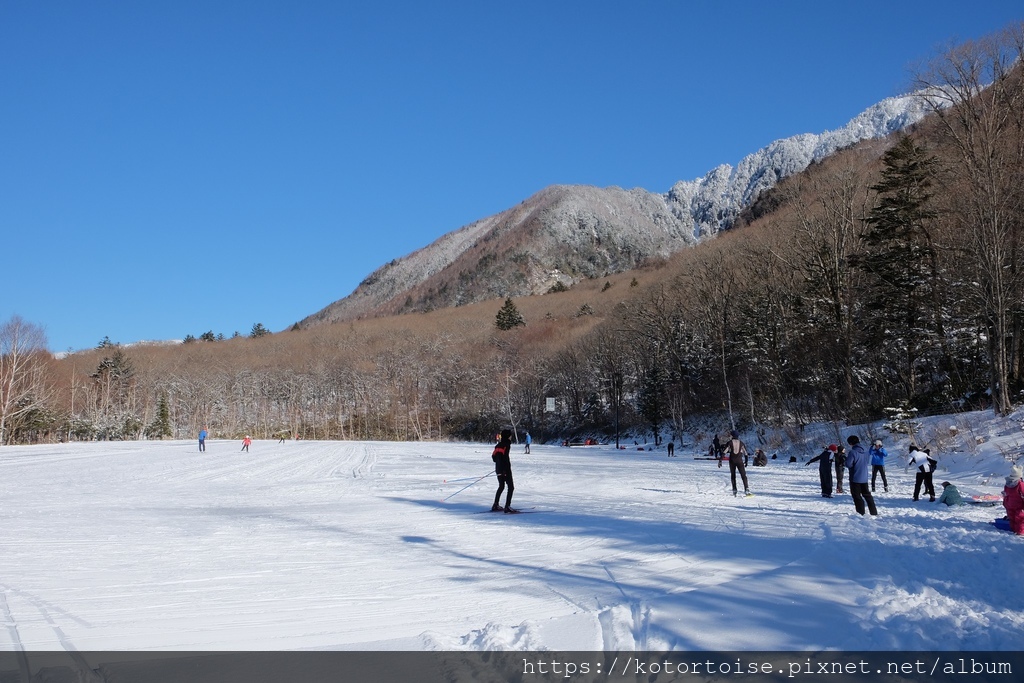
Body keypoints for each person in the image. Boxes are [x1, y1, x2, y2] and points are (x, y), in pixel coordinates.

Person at [845, 435, 878, 516]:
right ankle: (873, 512)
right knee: (867, 495)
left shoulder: (853, 452)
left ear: (850, 443)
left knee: (857, 496)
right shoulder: (866, 451)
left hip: (855, 477)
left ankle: (861, 513)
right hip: (864, 477)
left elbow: (848, 464)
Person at [491, 429, 516, 513]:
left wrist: (499, 464)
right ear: (507, 436)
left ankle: (495, 504)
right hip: (505, 470)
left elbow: (494, 458)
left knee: (501, 486)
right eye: (510, 435)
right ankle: (507, 506)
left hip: (498, 469)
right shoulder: (506, 445)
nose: (511, 437)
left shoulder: (498, 445)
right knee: (511, 487)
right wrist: (505, 470)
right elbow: (505, 458)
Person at [723, 430, 751, 496]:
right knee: (743, 475)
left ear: (732, 436)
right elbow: (746, 453)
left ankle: (734, 489)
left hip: (732, 461)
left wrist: (720, 460)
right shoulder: (741, 443)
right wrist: (746, 461)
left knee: (733, 475)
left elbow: (724, 451)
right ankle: (746, 489)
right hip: (740, 461)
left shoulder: (729, 442)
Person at [1002, 465, 1024, 535]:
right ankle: (1020, 532)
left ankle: (1013, 529)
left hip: (1009, 504)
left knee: (1012, 518)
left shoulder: (1007, 484)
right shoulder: (1020, 484)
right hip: (1019, 505)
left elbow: (1005, 494)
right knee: (1020, 518)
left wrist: (1005, 503)